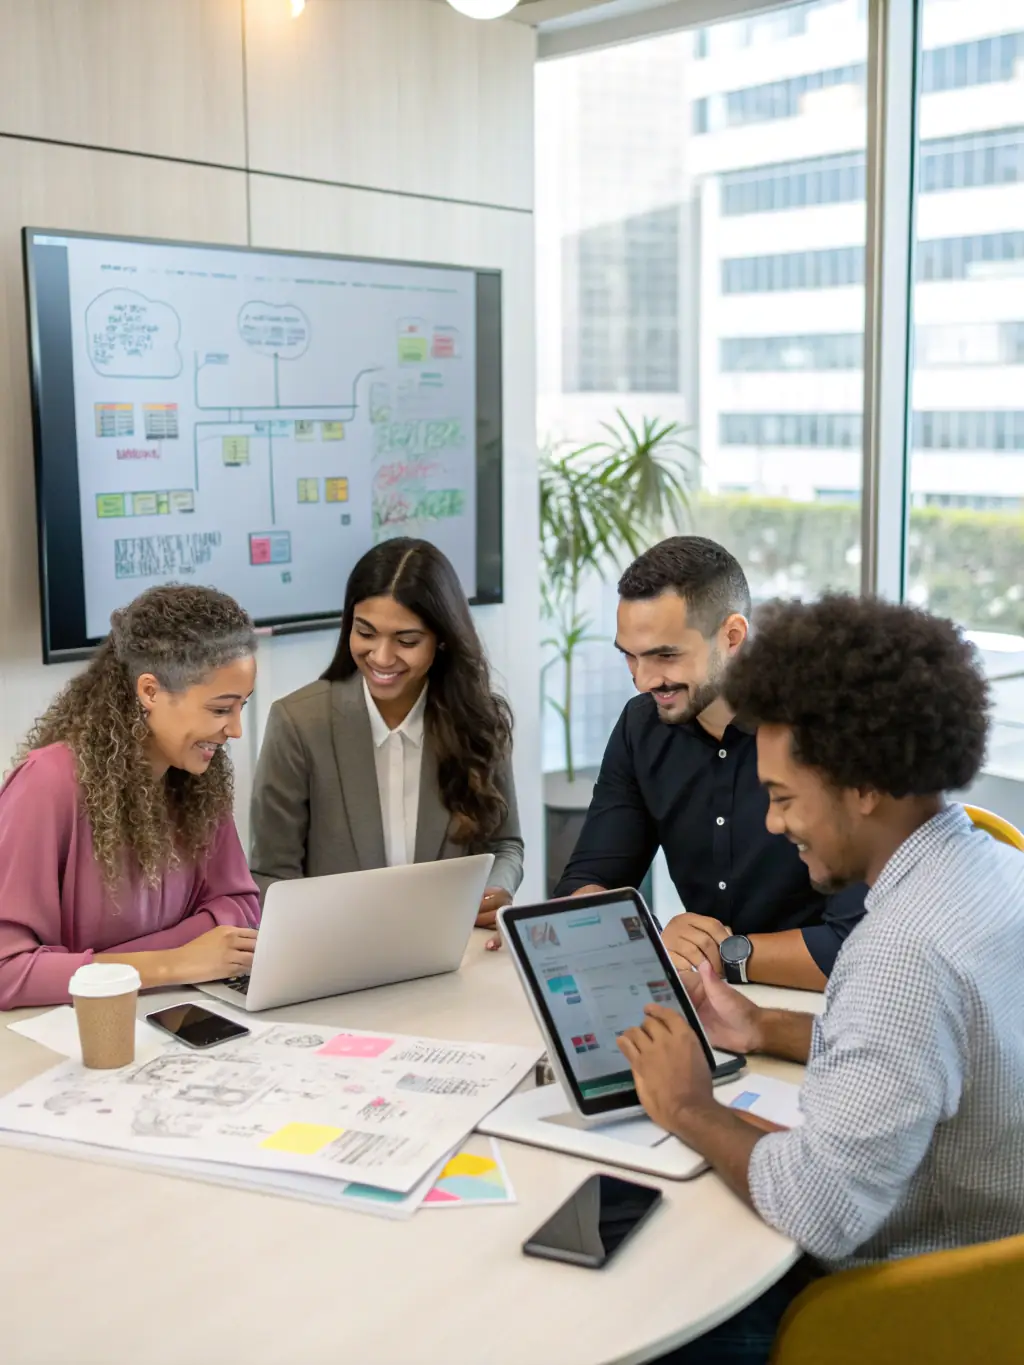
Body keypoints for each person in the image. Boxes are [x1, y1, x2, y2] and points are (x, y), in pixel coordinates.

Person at [617, 594, 1024, 1364]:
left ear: (862, 786)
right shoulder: (994, 868)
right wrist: (765, 1027)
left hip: (899, 1309)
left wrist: (687, 1104)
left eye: (782, 797)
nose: (773, 824)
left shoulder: (900, 951)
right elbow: (943, 1052)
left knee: (634, 1312)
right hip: (997, 1279)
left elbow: (822, 1208)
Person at [555, 537, 865, 990]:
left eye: (665, 655)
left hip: (831, 1008)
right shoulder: (641, 727)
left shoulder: (824, 730)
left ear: (732, 636)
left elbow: (857, 946)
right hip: (709, 999)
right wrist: (654, 939)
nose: (643, 680)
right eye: (629, 654)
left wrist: (722, 955)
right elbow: (585, 884)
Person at [0, 585, 261, 1011]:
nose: (235, 731)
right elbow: (7, 970)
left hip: (176, 1016)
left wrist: (150, 962)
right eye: (219, 710)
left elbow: (240, 909)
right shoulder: (47, 784)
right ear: (150, 692)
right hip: (74, 1035)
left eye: (241, 707)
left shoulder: (198, 777)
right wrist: (172, 963)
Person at [249, 538, 523, 941]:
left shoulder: (480, 721)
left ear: (441, 640)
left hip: (451, 951)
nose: (381, 657)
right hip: (337, 955)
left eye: (406, 640)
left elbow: (506, 845)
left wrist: (496, 891)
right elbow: (272, 874)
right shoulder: (298, 723)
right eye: (366, 633)